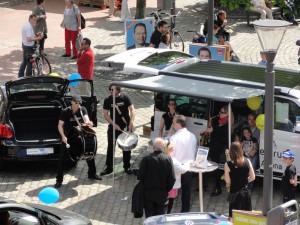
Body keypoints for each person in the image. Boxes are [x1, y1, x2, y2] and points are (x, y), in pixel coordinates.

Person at [55, 95, 102, 188]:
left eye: (79, 103)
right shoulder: (65, 112)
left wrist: (88, 123)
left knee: (89, 153)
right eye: (76, 103)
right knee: (61, 159)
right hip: (68, 138)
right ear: (72, 102)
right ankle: (59, 180)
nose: (78, 104)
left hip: (80, 137)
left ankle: (92, 173)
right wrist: (63, 136)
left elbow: (86, 119)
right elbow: (60, 125)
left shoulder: (82, 109)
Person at [101, 84, 135, 176]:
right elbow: (105, 114)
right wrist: (113, 124)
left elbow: (132, 110)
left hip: (126, 126)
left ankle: (127, 166)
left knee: (126, 146)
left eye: (112, 90)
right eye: (110, 90)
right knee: (111, 146)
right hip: (113, 126)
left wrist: (131, 122)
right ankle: (109, 167)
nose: (110, 91)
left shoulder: (125, 97)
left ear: (118, 90)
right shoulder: (108, 100)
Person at [137, 137, 175, 218]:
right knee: (160, 217)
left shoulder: (146, 158)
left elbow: (140, 175)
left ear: (153, 147)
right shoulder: (168, 159)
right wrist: (167, 189)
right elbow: (172, 178)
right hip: (162, 193)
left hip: (148, 193)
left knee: (150, 216)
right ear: (163, 147)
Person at [170, 114, 197, 212]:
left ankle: (168, 210)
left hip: (177, 168)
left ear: (178, 124)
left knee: (172, 190)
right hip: (189, 167)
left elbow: (171, 155)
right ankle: (185, 211)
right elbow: (193, 152)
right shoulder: (193, 136)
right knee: (186, 190)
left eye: (173, 123)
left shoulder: (174, 138)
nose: (172, 125)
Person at [225, 141, 255, 218]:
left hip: (234, 193)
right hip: (245, 192)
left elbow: (228, 181)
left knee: (234, 218)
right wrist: (245, 181)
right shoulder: (247, 161)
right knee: (246, 217)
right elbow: (252, 177)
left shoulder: (227, 164)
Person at [206, 105, 230, 197]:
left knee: (215, 168)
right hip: (212, 146)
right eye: (220, 111)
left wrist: (212, 130)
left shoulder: (227, 126)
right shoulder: (216, 121)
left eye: (222, 112)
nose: (219, 113)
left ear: (227, 115)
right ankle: (205, 184)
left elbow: (223, 138)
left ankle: (218, 187)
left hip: (219, 148)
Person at [163, 140, 189, 214]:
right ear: (170, 149)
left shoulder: (161, 158)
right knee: (169, 201)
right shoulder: (173, 161)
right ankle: (167, 213)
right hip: (171, 185)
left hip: (162, 185)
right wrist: (188, 163)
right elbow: (183, 170)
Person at [18, 14, 44, 78]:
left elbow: (30, 37)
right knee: (29, 62)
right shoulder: (28, 27)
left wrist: (36, 35)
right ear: (30, 19)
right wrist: (38, 38)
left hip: (25, 45)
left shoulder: (27, 24)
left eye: (35, 20)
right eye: (33, 20)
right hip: (28, 47)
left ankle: (20, 76)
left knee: (24, 61)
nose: (35, 21)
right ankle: (28, 77)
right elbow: (29, 39)